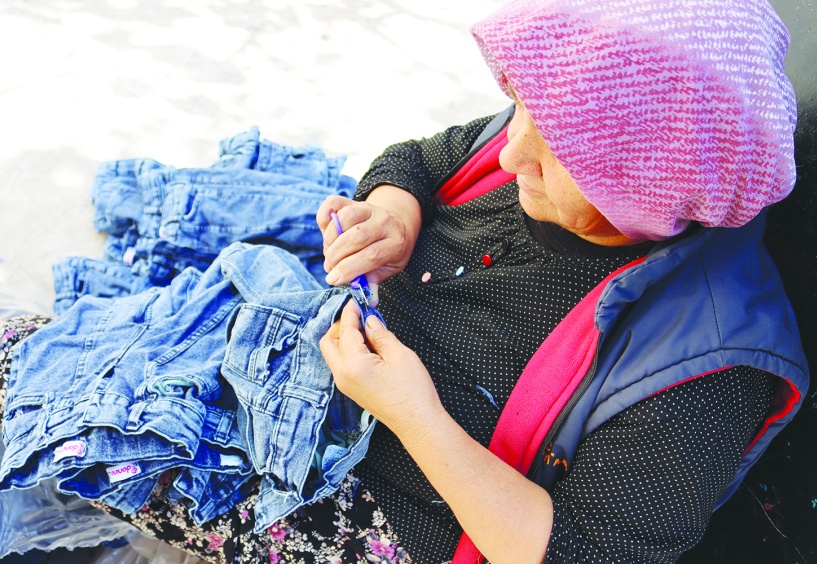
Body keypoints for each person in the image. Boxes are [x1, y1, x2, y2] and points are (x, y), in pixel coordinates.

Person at [0, 0, 808, 562]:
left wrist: (412, 414)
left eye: (556, 150)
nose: (513, 147)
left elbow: (574, 551)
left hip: (400, 516)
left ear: (643, 185)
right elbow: (420, 157)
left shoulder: (704, 370)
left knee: (51, 397)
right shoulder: (529, 143)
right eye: (520, 107)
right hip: (331, 381)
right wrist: (393, 210)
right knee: (70, 363)